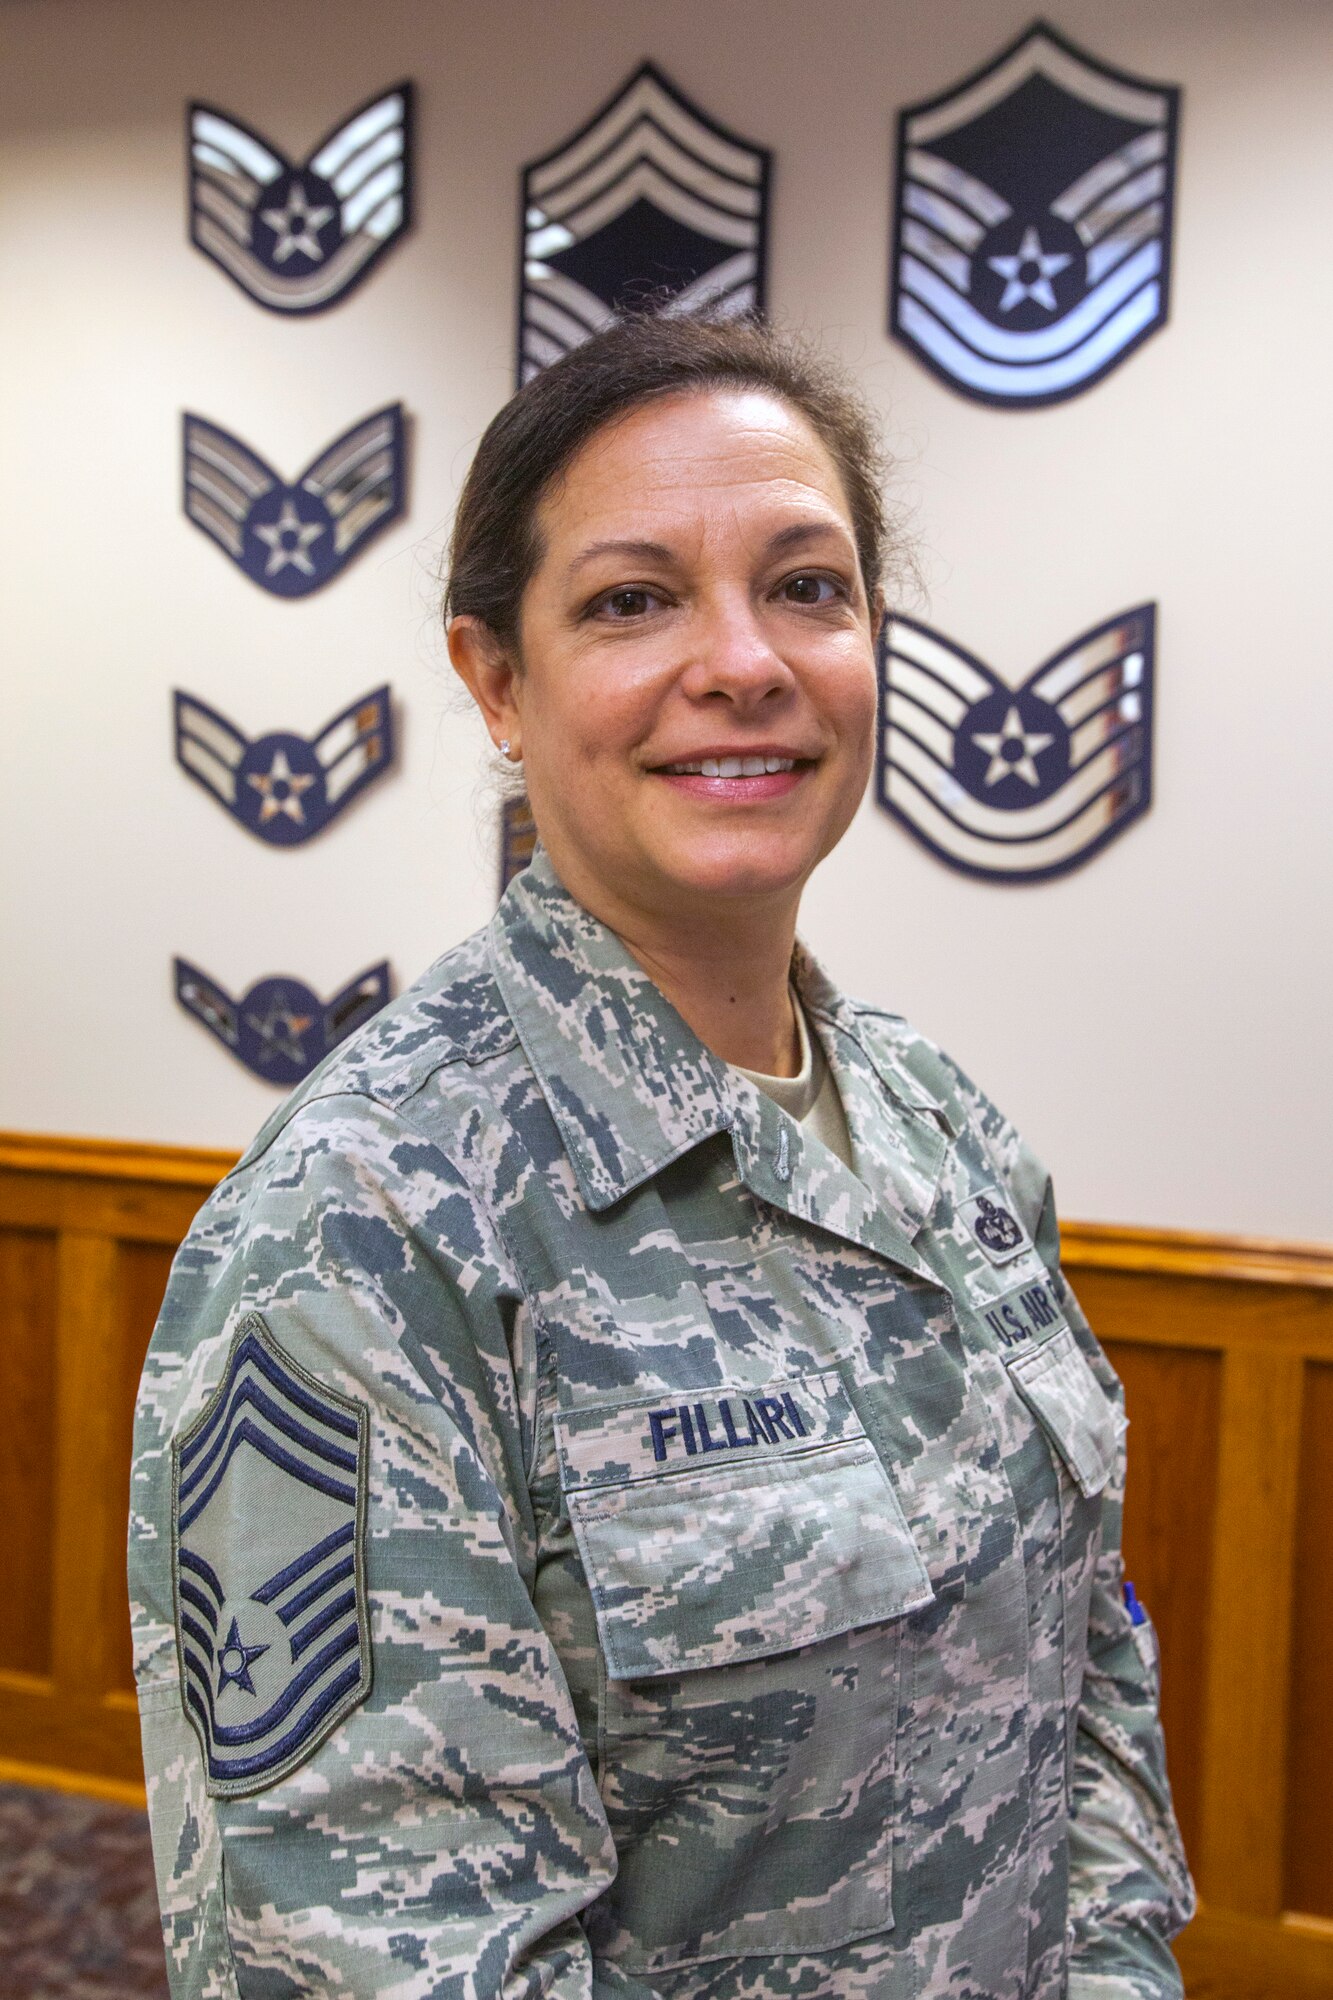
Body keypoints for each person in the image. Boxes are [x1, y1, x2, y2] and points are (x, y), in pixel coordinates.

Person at [130, 313, 1193, 1999]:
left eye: (806, 585)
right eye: (632, 600)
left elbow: (1081, 1686)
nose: (744, 662)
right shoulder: (368, 1227)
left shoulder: (946, 1131)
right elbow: (381, 1957)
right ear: (497, 679)